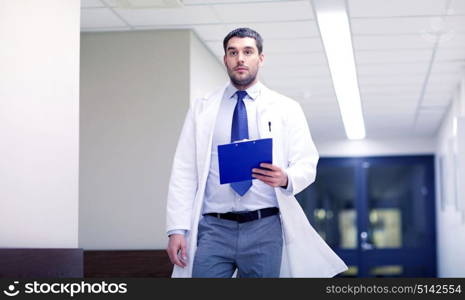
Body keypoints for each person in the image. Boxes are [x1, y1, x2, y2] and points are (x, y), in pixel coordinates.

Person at [165, 27, 347, 278]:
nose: (240, 58)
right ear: (225, 59)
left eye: (248, 51)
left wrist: (286, 178)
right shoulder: (203, 108)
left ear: (260, 58)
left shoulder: (286, 108)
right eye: (233, 52)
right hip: (214, 227)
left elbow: (306, 162)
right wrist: (177, 229)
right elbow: (184, 170)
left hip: (264, 227)